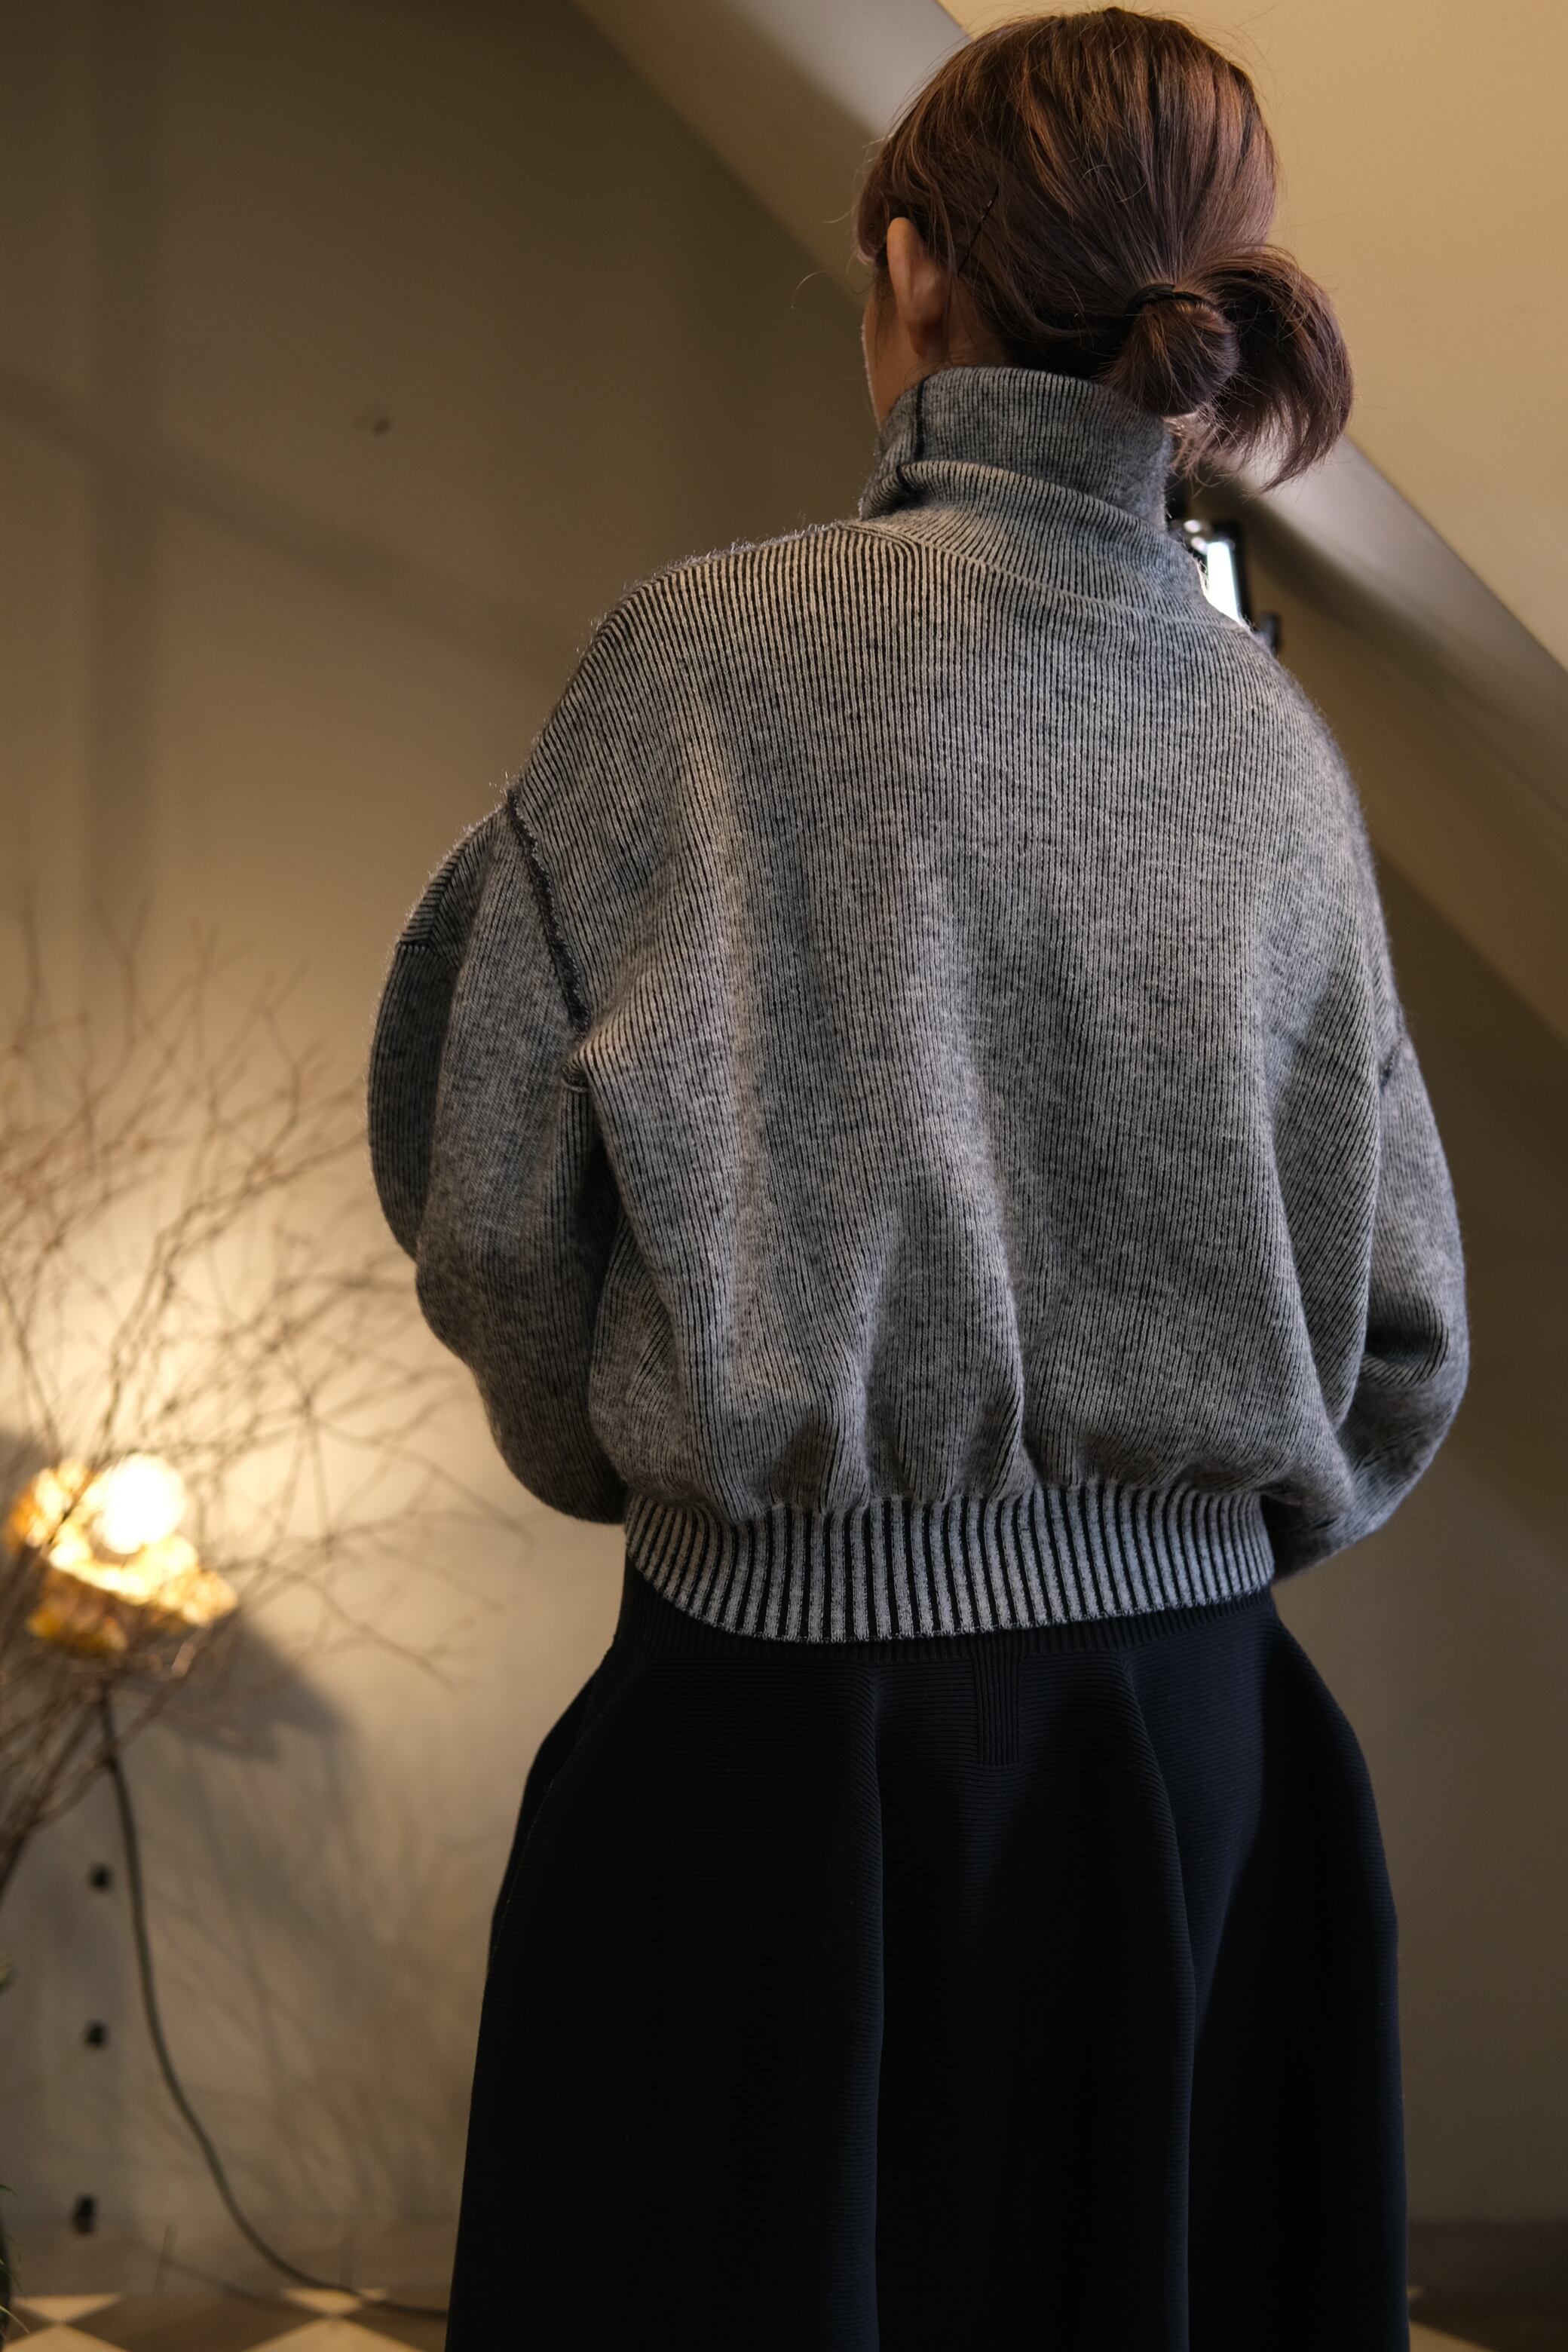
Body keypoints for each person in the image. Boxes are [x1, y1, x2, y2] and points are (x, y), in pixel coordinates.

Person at [368, 11, 1468, 2347]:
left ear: (907, 273)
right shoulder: (1269, 740)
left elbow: (493, 1203)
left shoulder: (702, 662)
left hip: (777, 1740)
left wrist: (686, 1485)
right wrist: (1161, 1547)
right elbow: (1402, 1326)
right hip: (1194, 1749)